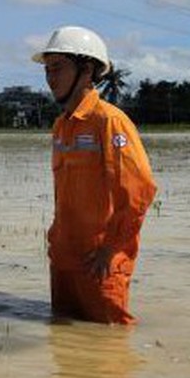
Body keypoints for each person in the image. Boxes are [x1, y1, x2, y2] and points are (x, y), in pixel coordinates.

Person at [34, 26, 157, 325]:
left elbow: (139, 191)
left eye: (58, 68)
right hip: (63, 259)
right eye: (47, 69)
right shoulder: (62, 126)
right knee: (67, 351)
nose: (50, 77)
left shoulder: (110, 122)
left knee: (109, 349)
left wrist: (111, 249)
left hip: (98, 264)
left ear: (86, 70)